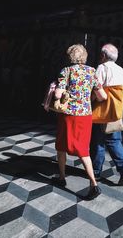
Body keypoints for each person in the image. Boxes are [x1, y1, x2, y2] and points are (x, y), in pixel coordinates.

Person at [52, 44, 107, 200]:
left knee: (61, 146)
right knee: (83, 149)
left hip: (68, 115)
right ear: (84, 56)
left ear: (70, 56)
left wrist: (57, 90)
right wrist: (89, 98)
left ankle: (62, 178)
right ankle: (93, 184)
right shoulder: (92, 71)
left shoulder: (66, 71)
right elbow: (103, 96)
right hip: (85, 115)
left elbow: (58, 93)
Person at [90, 43, 123, 185]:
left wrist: (91, 100)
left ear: (103, 55)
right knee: (114, 141)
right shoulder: (122, 70)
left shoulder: (101, 68)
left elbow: (97, 90)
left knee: (98, 142)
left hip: (102, 113)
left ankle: (96, 172)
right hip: (115, 113)